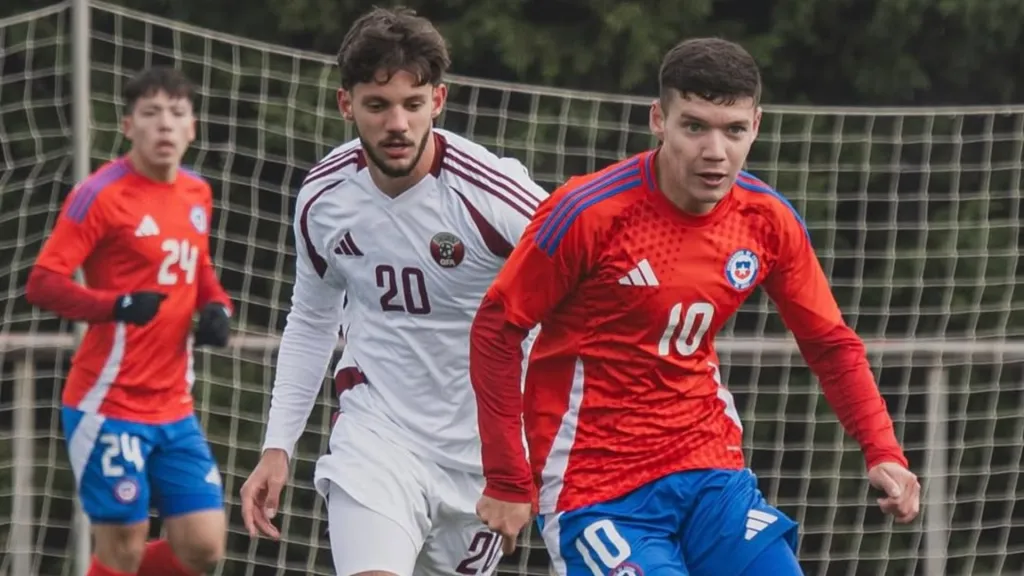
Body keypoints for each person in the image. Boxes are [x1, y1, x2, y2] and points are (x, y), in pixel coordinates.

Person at [468, 37, 921, 576]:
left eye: (734, 130)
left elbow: (829, 343)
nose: (715, 151)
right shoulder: (588, 213)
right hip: (597, 485)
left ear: (756, 125)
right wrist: (507, 477)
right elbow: (496, 330)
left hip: (710, 469)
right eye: (695, 127)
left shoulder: (766, 220)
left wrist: (883, 450)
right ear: (659, 120)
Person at [237, 7, 548, 576]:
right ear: (346, 104)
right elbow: (311, 319)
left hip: (481, 459)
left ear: (439, 100)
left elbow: (581, 297)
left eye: (413, 103)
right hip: (377, 435)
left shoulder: (496, 196)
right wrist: (277, 444)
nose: (397, 124)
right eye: (378, 105)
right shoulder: (324, 199)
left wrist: (530, 459)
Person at [25, 66, 232, 576]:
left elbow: (198, 267)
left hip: (174, 405)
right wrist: (114, 306)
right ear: (127, 125)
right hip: (107, 402)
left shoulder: (197, 193)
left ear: (192, 128)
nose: (164, 124)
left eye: (176, 114)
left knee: (204, 546)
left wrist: (217, 306)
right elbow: (43, 282)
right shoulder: (100, 194)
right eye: (151, 113)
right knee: (123, 547)